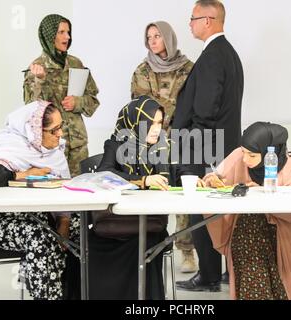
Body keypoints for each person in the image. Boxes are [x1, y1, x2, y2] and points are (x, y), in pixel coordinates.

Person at [0, 101, 79, 300]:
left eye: (61, 127)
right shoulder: (12, 144)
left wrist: (64, 222)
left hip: (30, 216)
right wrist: (23, 174)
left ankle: (77, 294)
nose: (60, 134)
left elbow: (64, 194)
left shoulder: (53, 152)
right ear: (35, 131)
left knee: (82, 226)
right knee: (40, 236)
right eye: (54, 130)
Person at [203, 122, 291, 300]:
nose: (245, 160)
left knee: (252, 230)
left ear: (269, 153)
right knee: (249, 227)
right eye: (243, 152)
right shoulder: (239, 155)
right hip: (248, 231)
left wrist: (260, 191)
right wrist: (211, 180)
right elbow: (217, 176)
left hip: (286, 230)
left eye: (252, 155)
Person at [172, 0, 244, 291]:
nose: (189, 23)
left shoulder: (214, 55)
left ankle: (209, 276)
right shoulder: (228, 54)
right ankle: (221, 272)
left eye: (193, 18)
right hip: (221, 146)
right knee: (217, 211)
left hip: (204, 148)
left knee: (201, 211)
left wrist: (191, 144)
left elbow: (205, 108)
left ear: (209, 20)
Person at [89, 96, 171, 299]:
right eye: (150, 123)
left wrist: (194, 179)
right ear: (135, 122)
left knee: (147, 242)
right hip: (117, 222)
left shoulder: (162, 145)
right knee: (88, 241)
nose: (156, 129)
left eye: (159, 123)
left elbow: (177, 172)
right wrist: (143, 180)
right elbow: (105, 174)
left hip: (150, 222)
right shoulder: (116, 144)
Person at [131, 21, 197, 273]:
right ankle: (153, 251)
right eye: (149, 37)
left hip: (184, 140)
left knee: (183, 195)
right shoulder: (142, 71)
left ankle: (187, 252)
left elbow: (194, 104)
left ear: (168, 38)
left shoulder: (188, 69)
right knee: (155, 193)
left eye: (157, 35)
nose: (153, 40)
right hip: (153, 142)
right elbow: (141, 108)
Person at [24, 14, 100, 177]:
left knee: (81, 191)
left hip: (78, 145)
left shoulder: (76, 64)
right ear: (50, 35)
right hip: (52, 147)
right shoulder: (36, 68)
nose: (67, 37)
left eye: (68, 32)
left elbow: (93, 101)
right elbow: (31, 111)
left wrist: (78, 102)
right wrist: (40, 80)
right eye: (61, 32)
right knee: (54, 193)